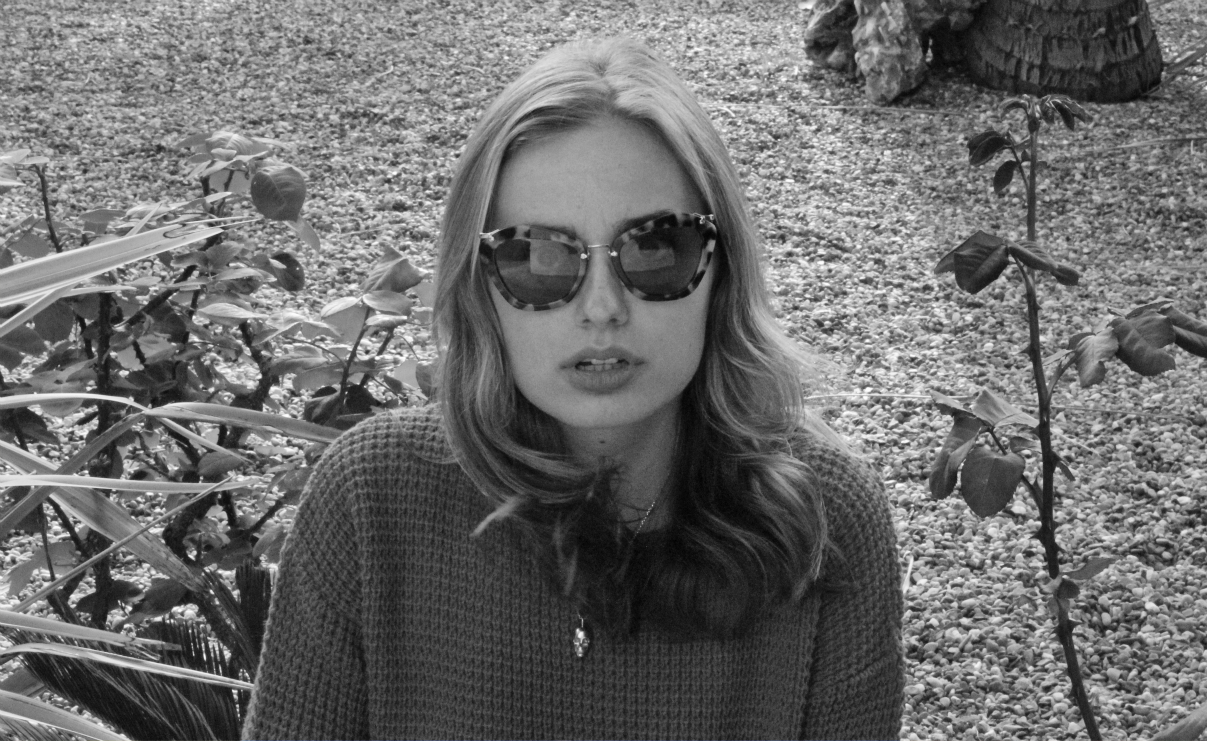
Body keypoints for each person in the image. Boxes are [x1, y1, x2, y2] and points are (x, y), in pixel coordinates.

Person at [242, 37, 904, 740]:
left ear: (721, 270)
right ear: (479, 285)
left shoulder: (826, 519)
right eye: (539, 258)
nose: (602, 308)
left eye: (655, 247)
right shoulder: (371, 499)